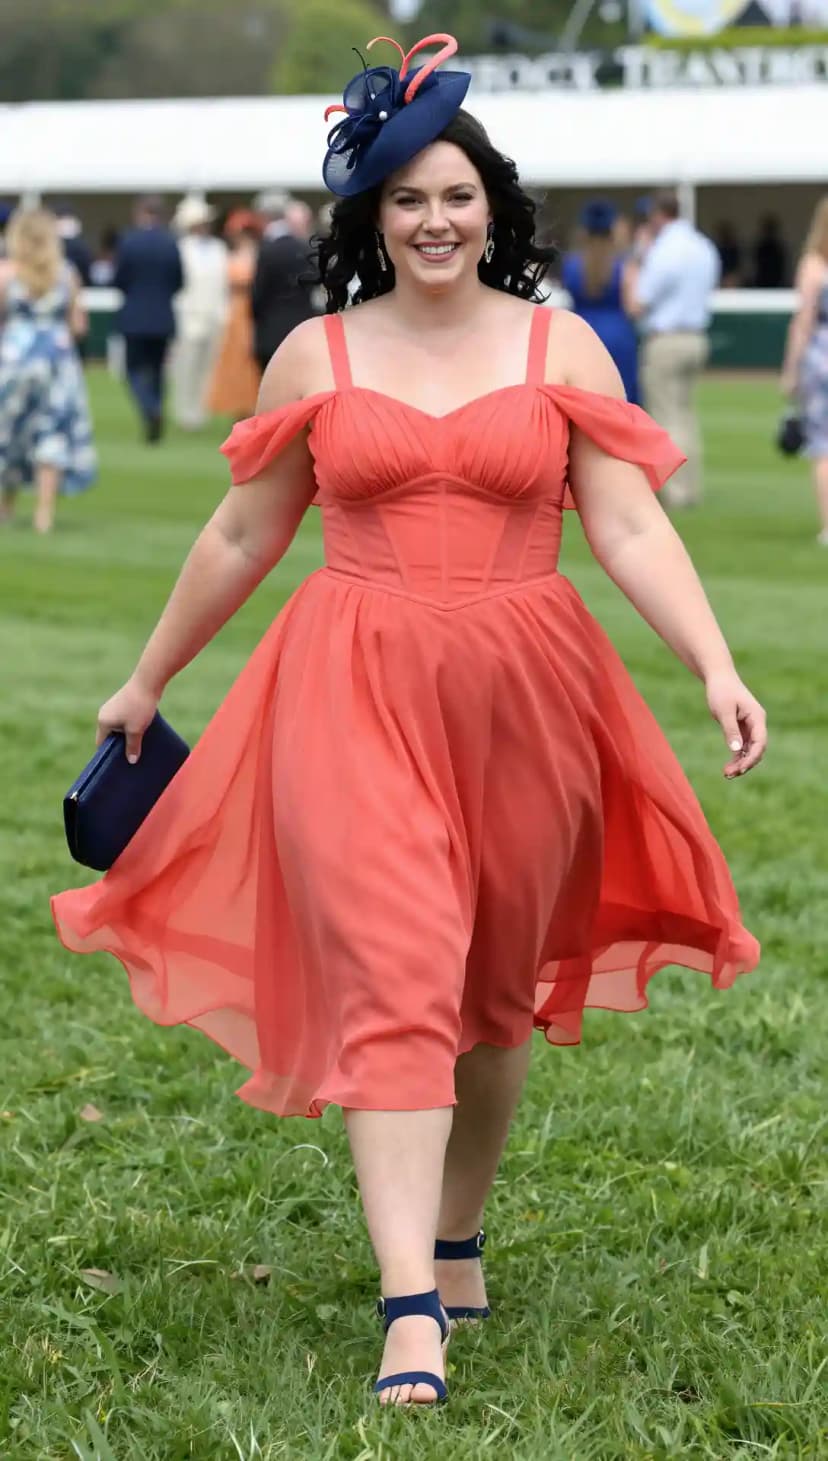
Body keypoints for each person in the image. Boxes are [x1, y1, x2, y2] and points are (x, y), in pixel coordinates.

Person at [52, 32, 766, 1410]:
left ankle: (457, 1226)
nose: (433, 222)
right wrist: (148, 681)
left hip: (527, 693)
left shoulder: (566, 346)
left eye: (455, 196)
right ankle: (409, 1309)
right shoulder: (315, 356)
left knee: (492, 991)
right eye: (405, 200)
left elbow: (624, 522)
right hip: (352, 678)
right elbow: (240, 533)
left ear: (491, 206)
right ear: (369, 219)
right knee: (395, 968)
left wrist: (716, 665)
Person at [0, 208, 96, 532]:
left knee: (9, 432)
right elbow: (79, 325)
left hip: (15, 358)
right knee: (50, 435)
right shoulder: (66, 274)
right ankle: (44, 513)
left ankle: (6, 505)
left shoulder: (7, 273)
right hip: (57, 360)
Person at [624, 190, 720, 509]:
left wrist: (637, 259)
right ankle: (689, 487)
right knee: (686, 415)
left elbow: (639, 301)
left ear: (658, 214)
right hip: (696, 335)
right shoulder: (702, 245)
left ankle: (676, 490)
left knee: (667, 416)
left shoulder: (665, 250)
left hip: (667, 338)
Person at [113, 196, 183, 443]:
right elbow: (179, 280)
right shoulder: (170, 242)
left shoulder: (129, 241)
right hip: (162, 317)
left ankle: (150, 407)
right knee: (157, 370)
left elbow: (119, 278)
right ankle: (156, 408)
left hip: (134, 317)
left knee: (132, 369)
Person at [781, 195, 828, 545]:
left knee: (822, 444)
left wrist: (791, 370)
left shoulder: (814, 264)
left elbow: (804, 321)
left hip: (821, 356)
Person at [561, 199, 639, 403]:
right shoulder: (623, 265)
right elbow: (633, 306)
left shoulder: (572, 264)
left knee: (585, 400)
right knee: (623, 400)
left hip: (582, 332)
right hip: (618, 334)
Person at [169, 196, 229, 430]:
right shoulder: (180, 249)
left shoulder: (218, 248)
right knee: (187, 365)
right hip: (189, 315)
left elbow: (222, 283)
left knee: (208, 366)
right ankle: (186, 412)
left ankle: (200, 411)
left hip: (214, 314)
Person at [250, 190, 319, 374]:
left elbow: (258, 295)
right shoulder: (305, 249)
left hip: (270, 330)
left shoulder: (267, 251)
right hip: (302, 328)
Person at [207, 209, 262, 420]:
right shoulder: (229, 256)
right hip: (234, 309)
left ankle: (251, 404)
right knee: (234, 358)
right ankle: (238, 404)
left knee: (249, 356)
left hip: (250, 309)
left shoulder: (257, 255)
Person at [752, 214, 788, 289]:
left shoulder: (778, 247)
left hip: (775, 281)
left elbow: (781, 266)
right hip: (762, 281)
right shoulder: (760, 246)